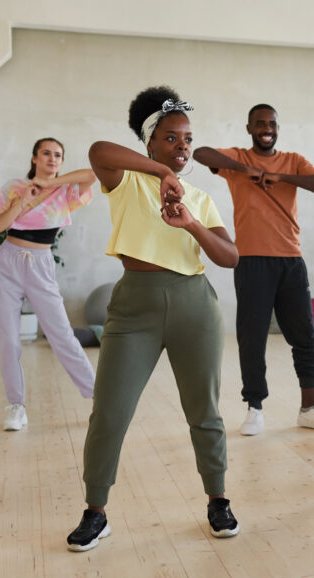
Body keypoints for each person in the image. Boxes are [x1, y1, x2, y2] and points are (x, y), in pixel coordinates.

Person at [66, 86, 240, 552]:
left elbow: (230, 256)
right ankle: (95, 510)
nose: (182, 146)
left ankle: (218, 500)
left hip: (195, 305)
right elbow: (98, 151)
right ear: (150, 142)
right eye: (170, 138)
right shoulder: (126, 180)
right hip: (133, 308)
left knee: (205, 412)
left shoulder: (200, 198)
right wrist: (162, 172)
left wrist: (192, 225)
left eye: (186, 139)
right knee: (110, 411)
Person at [193, 104, 314, 437]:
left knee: (305, 337)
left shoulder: (293, 160)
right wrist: (245, 170)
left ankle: (309, 408)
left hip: (290, 260)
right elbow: (202, 153)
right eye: (260, 123)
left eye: (272, 123)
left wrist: (280, 177)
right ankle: (254, 407)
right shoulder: (237, 158)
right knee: (252, 338)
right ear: (249, 128)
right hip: (251, 261)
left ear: (277, 127)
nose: (266, 128)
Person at [0, 138, 97, 432]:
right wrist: (23, 200)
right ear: (34, 157)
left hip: (40, 264)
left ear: (61, 162)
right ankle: (16, 406)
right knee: (9, 341)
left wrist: (51, 183)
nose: (52, 158)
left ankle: (99, 399)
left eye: (57, 155)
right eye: (46, 153)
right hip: (7, 263)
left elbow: (93, 174)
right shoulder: (13, 187)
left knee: (62, 336)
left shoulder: (67, 192)